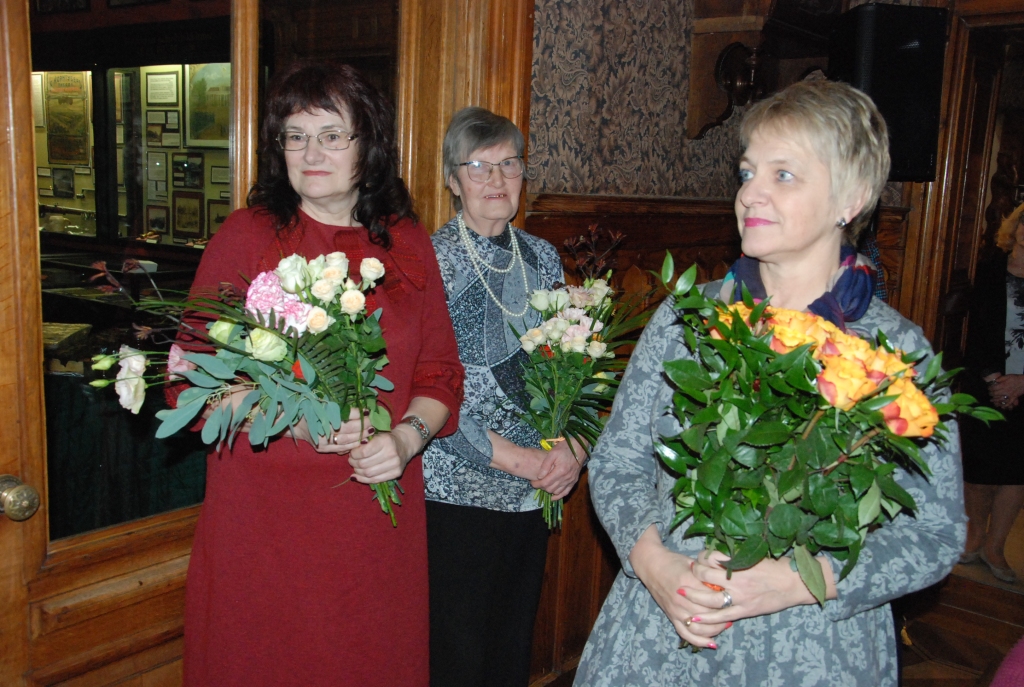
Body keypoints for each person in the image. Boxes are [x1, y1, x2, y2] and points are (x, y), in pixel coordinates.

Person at [574, 80, 966, 686]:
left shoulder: (896, 353)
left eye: (784, 175)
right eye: (748, 171)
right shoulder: (687, 319)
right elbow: (617, 461)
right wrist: (656, 566)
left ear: (852, 196)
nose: (750, 193)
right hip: (663, 633)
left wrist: (796, 582)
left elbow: (935, 534)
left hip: (813, 651)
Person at [175, 62, 464, 686]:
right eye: (295, 135)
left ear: (370, 144)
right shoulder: (247, 237)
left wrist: (405, 438)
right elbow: (187, 379)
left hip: (372, 526)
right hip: (267, 527)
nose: (311, 152)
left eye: (333, 134)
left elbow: (440, 373)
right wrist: (297, 423)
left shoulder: (408, 244)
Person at [422, 106, 584, 686]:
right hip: (457, 493)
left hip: (535, 491)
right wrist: (523, 461)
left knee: (512, 649)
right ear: (452, 178)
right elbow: (427, 389)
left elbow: (574, 370)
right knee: (458, 657)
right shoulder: (428, 262)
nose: (496, 180)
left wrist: (574, 452)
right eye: (479, 166)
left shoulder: (542, 257)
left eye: (509, 164)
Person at [959, 203, 1024, 583]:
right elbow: (979, 331)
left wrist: (1021, 383)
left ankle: (996, 547)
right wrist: (994, 380)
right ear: (1014, 228)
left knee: (1016, 474)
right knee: (980, 469)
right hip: (985, 384)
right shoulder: (989, 271)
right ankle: (974, 536)